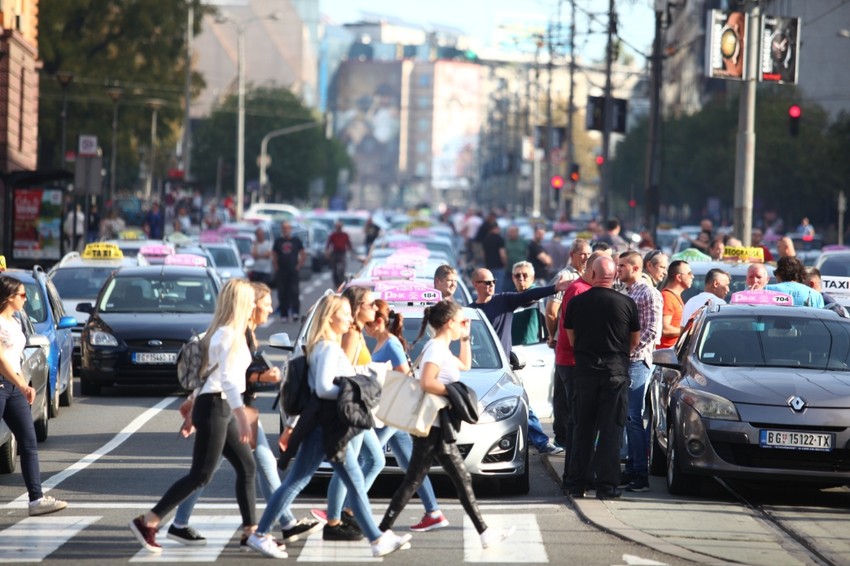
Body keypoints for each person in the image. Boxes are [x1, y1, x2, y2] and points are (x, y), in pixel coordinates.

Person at [247, 295, 412, 558]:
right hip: (328, 425)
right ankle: (260, 534)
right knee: (317, 481)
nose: (349, 318)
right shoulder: (328, 347)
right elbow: (323, 388)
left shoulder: (325, 345)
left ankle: (376, 538)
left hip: (323, 424)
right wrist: (354, 391)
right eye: (345, 313)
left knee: (309, 481)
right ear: (331, 317)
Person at [167, 283, 321, 546]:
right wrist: (264, 376)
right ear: (251, 306)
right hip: (233, 409)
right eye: (265, 303)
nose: (269, 309)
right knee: (229, 467)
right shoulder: (240, 334)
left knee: (236, 466)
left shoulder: (245, 332)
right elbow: (231, 376)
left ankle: (182, 522)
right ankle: (281, 524)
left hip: (238, 408)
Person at [129, 279, 260, 555]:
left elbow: (206, 374)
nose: (254, 307)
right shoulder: (227, 335)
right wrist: (242, 415)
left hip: (215, 406)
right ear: (240, 304)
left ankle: (251, 532)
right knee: (201, 475)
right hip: (217, 407)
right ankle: (149, 521)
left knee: (247, 467)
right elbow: (226, 379)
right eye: (251, 301)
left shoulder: (223, 333)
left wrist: (191, 406)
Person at [377, 299, 515, 549]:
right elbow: (426, 382)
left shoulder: (441, 347)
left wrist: (465, 338)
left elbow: (465, 365)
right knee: (416, 480)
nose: (465, 324)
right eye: (462, 321)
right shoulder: (435, 349)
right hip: (432, 425)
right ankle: (379, 533)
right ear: (450, 323)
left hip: (438, 426)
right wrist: (452, 393)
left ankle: (484, 532)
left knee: (457, 478)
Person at [364, 299, 448, 531]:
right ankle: (434, 512)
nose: (364, 328)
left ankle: (344, 510)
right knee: (410, 465)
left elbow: (404, 377)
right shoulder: (381, 343)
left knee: (367, 459)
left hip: (394, 412)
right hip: (387, 411)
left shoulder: (391, 344)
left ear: (379, 323)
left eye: (368, 324)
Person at [469, 267, 570, 455]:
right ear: (476, 285)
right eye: (487, 282)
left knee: (523, 404)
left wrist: (555, 288)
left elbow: (530, 294)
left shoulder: (504, 301)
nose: (492, 285)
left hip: (504, 368)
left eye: (494, 282)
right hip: (477, 370)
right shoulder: (470, 311)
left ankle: (541, 442)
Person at [563, 256, 640, 499]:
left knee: (582, 428)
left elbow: (571, 338)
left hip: (585, 372)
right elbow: (634, 341)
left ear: (593, 275)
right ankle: (607, 486)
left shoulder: (576, 303)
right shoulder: (627, 303)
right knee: (611, 431)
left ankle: (577, 484)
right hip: (615, 374)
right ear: (614, 275)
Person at [318, 287, 385, 541]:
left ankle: (346, 511)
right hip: (352, 407)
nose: (376, 308)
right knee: (350, 465)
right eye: (370, 304)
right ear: (357, 307)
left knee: (374, 460)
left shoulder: (357, 332)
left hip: (360, 405)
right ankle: (334, 520)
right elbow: (341, 372)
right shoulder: (352, 335)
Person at [0, 276, 68, 517]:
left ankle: (36, 499)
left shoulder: (15, 320)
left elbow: (15, 357)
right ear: (9, 297)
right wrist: (21, 384)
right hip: (4, 384)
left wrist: (20, 384)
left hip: (13, 387)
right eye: (22, 295)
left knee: (28, 442)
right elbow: (0, 360)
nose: (25, 299)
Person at [552, 251, 608, 486]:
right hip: (573, 361)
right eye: (603, 271)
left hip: (573, 359)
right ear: (591, 269)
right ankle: (573, 474)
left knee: (579, 419)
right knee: (578, 419)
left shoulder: (582, 287)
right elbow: (572, 331)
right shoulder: (579, 289)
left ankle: (574, 473)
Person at [616, 252, 663, 493]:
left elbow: (652, 329)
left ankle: (641, 476)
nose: (618, 269)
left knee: (635, 416)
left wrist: (629, 349)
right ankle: (632, 469)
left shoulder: (648, 292)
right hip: (625, 361)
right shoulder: (627, 291)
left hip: (637, 361)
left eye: (622, 265)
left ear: (635, 268)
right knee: (628, 417)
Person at [272, 222, 306, 323]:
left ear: (290, 229)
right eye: (284, 228)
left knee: (294, 292)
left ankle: (295, 312)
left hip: (293, 271)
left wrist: (299, 265)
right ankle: (284, 314)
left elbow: (303, 254)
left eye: (287, 228)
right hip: (281, 271)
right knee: (282, 293)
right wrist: (276, 267)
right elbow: (274, 255)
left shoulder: (296, 241)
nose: (286, 230)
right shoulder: (278, 241)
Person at [658, 260, 693, 349]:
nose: (692, 276)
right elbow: (665, 329)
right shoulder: (667, 297)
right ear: (679, 277)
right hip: (664, 356)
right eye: (689, 273)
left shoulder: (674, 296)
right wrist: (688, 331)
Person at [481, 222, 507, 292]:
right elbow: (502, 254)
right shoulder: (500, 239)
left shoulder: (485, 239)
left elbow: (483, 254)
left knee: (489, 287)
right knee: (498, 287)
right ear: (497, 228)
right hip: (498, 266)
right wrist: (505, 263)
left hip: (489, 266)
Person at [327, 221, 353, 289]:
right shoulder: (333, 235)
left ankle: (341, 282)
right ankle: (336, 283)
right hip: (335, 253)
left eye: (339, 227)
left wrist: (350, 250)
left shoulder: (345, 235)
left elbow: (349, 243)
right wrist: (327, 251)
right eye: (337, 227)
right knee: (334, 269)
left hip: (342, 253)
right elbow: (328, 244)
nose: (338, 228)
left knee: (342, 269)